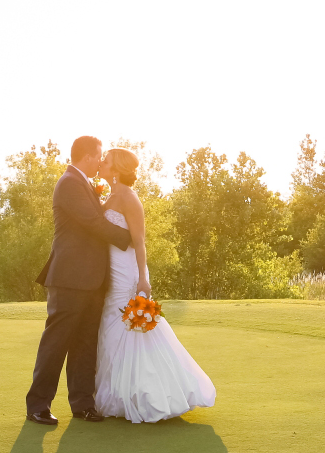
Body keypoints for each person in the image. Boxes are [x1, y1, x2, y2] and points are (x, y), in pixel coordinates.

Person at [94, 147, 216, 422]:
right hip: (109, 271)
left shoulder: (129, 197)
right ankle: (117, 393)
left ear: (117, 168)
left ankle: (149, 395)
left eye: (107, 160)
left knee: (132, 328)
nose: (102, 162)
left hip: (126, 270)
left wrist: (143, 278)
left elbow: (139, 242)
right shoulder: (109, 193)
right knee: (111, 329)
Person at [25, 136, 132, 425]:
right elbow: (93, 223)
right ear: (87, 156)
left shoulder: (84, 183)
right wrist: (130, 237)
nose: (101, 161)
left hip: (93, 280)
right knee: (56, 343)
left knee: (85, 345)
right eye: (99, 156)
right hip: (70, 278)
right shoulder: (70, 183)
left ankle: (83, 404)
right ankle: (38, 405)